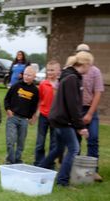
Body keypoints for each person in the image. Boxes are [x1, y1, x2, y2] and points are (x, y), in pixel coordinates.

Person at [39, 51, 91, 186]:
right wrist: (80, 127)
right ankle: (62, 181)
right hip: (63, 120)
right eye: (89, 65)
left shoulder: (69, 76)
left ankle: (39, 170)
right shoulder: (72, 78)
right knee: (74, 148)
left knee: (58, 149)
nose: (90, 68)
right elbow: (73, 105)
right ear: (84, 64)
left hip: (58, 118)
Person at [75, 44, 105, 182]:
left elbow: (98, 93)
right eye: (80, 51)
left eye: (86, 51)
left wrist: (90, 114)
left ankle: (93, 171)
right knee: (75, 141)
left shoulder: (95, 71)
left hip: (89, 109)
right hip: (75, 110)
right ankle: (75, 169)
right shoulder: (72, 70)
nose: (83, 53)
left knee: (93, 139)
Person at [4, 66, 39, 164]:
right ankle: (10, 160)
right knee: (11, 140)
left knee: (21, 142)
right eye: (25, 74)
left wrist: (31, 116)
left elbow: (34, 105)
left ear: (34, 76)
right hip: (13, 117)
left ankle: (18, 159)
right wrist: (8, 109)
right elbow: (7, 98)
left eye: (29, 75)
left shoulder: (35, 90)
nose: (26, 77)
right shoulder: (16, 86)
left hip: (24, 119)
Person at [34, 60, 61, 167]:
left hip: (55, 117)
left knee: (54, 142)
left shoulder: (60, 84)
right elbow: (40, 99)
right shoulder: (42, 84)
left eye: (52, 70)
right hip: (43, 116)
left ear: (58, 71)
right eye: (48, 70)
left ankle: (50, 163)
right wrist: (36, 112)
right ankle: (38, 162)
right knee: (40, 141)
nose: (50, 72)